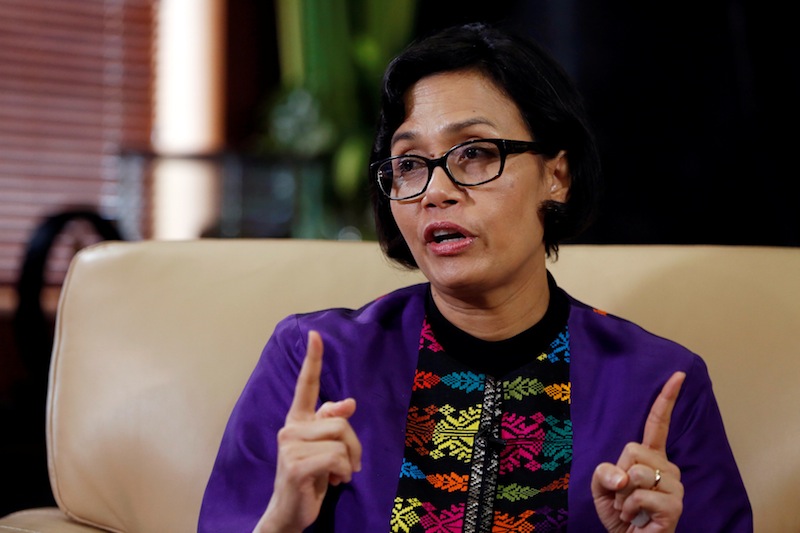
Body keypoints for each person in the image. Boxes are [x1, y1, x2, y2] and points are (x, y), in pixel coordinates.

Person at [199, 23, 752, 532]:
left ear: (557, 176)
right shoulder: (316, 361)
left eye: (476, 154)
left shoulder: (660, 384)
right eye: (409, 163)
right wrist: (280, 522)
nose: (435, 191)